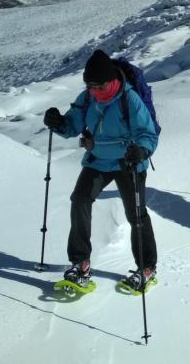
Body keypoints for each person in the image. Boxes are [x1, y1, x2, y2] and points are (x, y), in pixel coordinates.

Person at [43, 49, 159, 291]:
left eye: (98, 86)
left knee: (136, 216)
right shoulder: (88, 98)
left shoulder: (130, 100)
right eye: (90, 86)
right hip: (98, 160)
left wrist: (142, 150)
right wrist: (58, 123)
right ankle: (80, 263)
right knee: (80, 200)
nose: (94, 91)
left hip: (129, 162)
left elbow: (148, 134)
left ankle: (146, 267)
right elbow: (72, 126)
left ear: (112, 81)